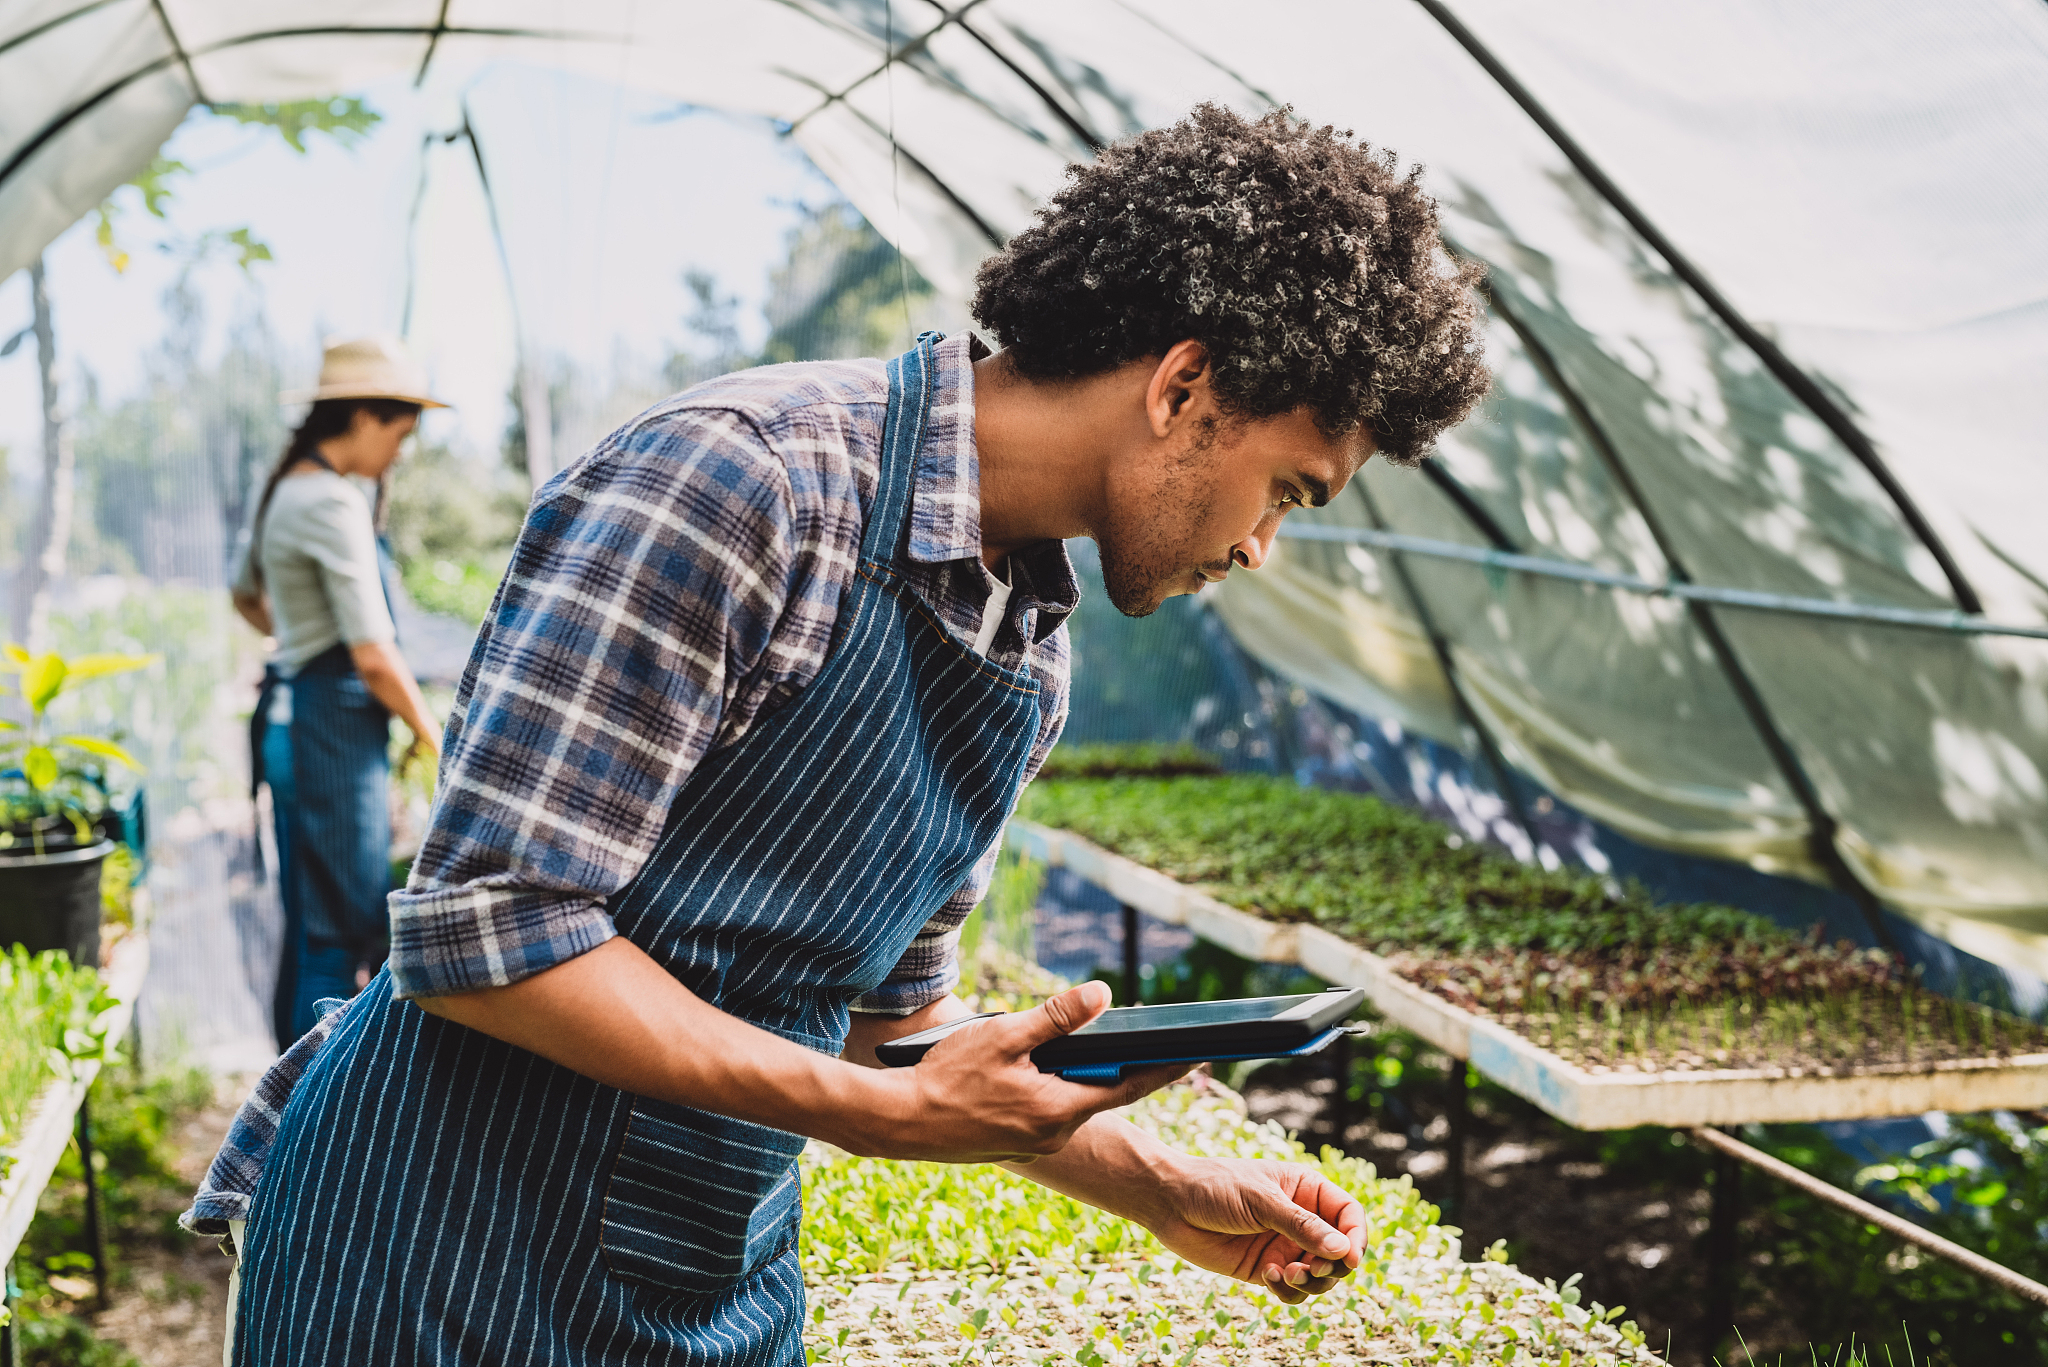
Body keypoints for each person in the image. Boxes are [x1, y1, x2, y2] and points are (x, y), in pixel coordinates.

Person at [189, 105, 1491, 1364]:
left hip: (700, 1270)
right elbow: (489, 934)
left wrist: (1158, 1183)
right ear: (1185, 384)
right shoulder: (744, 482)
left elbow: (893, 1023)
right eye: (1289, 488)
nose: (1263, 544)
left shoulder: (1029, 650)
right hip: (440, 1257)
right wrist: (887, 1117)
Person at [231, 335, 444, 1050]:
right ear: (362, 417)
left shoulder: (286, 486)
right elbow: (375, 657)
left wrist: (293, 635)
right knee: (342, 929)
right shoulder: (329, 501)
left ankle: (282, 1104)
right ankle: (306, 1117)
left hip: (295, 719)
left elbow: (245, 593)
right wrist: (430, 730)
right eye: (399, 432)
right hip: (329, 732)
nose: (400, 452)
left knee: (310, 921)